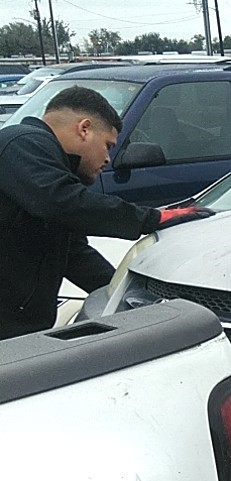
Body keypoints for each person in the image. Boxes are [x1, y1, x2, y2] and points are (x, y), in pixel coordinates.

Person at [0, 86, 213, 340]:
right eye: (108, 146)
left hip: (19, 334)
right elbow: (60, 201)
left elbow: (75, 256)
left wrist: (124, 298)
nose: (108, 159)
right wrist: (152, 218)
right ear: (84, 129)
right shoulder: (21, 142)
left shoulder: (46, 169)